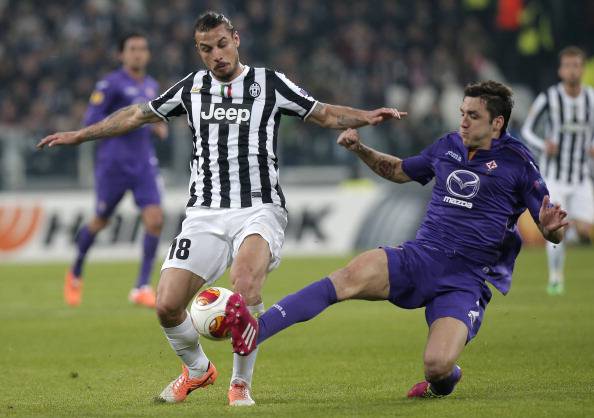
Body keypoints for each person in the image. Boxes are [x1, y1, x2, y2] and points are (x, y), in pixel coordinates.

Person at [36, 11, 404, 406]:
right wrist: (80, 135)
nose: (216, 55)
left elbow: (324, 113)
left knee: (244, 284)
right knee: (167, 305)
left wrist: (366, 116)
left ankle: (240, 384)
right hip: (204, 213)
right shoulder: (191, 88)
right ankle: (197, 370)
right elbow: (136, 114)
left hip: (259, 207)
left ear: (236, 39)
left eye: (222, 45)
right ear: (199, 51)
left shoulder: (269, 83)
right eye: (206, 49)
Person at [225, 80, 569, 399]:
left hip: (465, 279)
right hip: (420, 257)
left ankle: (445, 380)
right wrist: (361, 149)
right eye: (462, 113)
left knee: (437, 366)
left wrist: (552, 227)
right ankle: (256, 330)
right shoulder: (448, 146)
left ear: (497, 123)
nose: (463, 122)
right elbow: (399, 171)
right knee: (348, 277)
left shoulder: (519, 162)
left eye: (473, 116)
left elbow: (551, 228)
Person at [63, 32, 168, 308]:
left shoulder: (151, 85)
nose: (138, 53)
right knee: (100, 221)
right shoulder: (109, 84)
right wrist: (127, 118)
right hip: (114, 163)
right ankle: (75, 272)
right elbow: (91, 120)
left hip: (144, 162)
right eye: (132, 49)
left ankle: (142, 286)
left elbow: (153, 113)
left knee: (155, 219)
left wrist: (157, 124)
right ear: (122, 54)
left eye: (143, 48)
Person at [521, 46, 594, 296]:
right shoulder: (550, 97)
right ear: (561, 70)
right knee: (556, 228)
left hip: (582, 177)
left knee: (586, 230)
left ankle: (574, 231)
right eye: (568, 65)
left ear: (582, 69)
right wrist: (544, 145)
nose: (573, 70)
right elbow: (528, 130)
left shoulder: (591, 98)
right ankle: (555, 277)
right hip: (555, 178)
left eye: (577, 65)